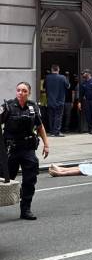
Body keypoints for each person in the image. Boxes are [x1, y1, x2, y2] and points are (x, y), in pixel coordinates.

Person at [1, 82, 49, 220]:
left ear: (28, 93)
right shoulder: (8, 106)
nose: (20, 93)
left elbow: (40, 127)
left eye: (24, 91)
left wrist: (46, 144)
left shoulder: (33, 107)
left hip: (28, 149)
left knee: (30, 179)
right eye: (18, 90)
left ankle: (26, 209)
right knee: (4, 179)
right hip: (11, 149)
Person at [45, 64, 69, 136]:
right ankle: (57, 132)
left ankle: (52, 131)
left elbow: (44, 87)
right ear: (58, 70)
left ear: (52, 70)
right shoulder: (62, 77)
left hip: (50, 101)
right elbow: (68, 86)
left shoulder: (47, 77)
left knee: (51, 116)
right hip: (60, 101)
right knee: (58, 116)